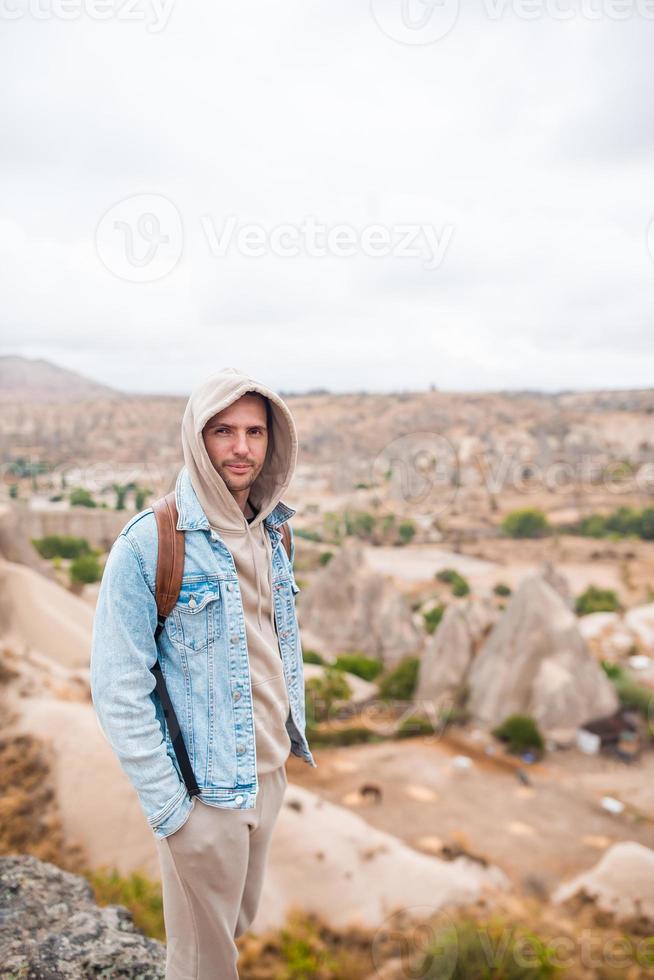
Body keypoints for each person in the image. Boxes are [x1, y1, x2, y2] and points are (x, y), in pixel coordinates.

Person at [90, 366, 317, 979]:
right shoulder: (149, 543)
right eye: (223, 431)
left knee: (229, 936)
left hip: (267, 776)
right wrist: (173, 812)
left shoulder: (274, 532)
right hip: (204, 793)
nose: (241, 448)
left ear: (274, 441)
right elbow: (117, 689)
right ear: (197, 436)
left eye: (255, 432)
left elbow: (270, 652)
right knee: (202, 964)